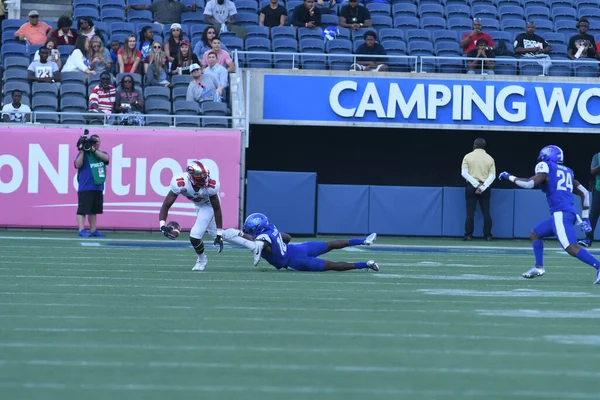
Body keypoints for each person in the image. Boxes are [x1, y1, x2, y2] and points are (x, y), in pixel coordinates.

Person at [499, 145, 600, 284]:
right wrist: (585, 218)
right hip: (565, 214)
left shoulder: (546, 166)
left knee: (571, 247)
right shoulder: (568, 171)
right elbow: (584, 192)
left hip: (561, 214)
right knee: (535, 233)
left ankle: (599, 266)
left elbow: (528, 184)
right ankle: (538, 267)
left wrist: (509, 176)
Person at [238, 213, 380, 272]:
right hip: (299, 248)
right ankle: (364, 240)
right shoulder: (271, 228)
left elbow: (257, 242)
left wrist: (239, 235)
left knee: (331, 265)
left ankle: (365, 264)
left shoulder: (262, 242)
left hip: (295, 262)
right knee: (329, 245)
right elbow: (288, 238)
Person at [159, 160, 225, 271]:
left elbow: (217, 209)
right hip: (198, 205)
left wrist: (220, 231)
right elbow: (166, 204)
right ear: (191, 177)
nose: (204, 181)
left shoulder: (211, 185)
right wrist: (162, 225)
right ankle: (252, 245)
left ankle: (202, 260)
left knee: (195, 235)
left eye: (205, 177)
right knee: (216, 235)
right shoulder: (180, 182)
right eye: (201, 179)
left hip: (208, 206)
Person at [74, 131, 110, 238]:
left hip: (97, 186)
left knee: (94, 211)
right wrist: (82, 151)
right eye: (94, 142)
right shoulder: (84, 155)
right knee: (83, 210)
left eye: (98, 142)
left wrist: (93, 150)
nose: (96, 143)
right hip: (85, 186)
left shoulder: (101, 153)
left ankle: (93, 230)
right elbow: (77, 164)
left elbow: (106, 159)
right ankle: (81, 229)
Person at [461, 138, 496, 241]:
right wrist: (483, 187)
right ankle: (488, 235)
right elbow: (492, 176)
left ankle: (468, 235)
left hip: (471, 187)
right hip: (485, 187)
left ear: (474, 145)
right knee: (486, 211)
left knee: (470, 212)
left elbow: (464, 173)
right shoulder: (490, 158)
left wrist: (476, 185)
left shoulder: (467, 157)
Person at [579, 153, 600, 247]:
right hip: (599, 189)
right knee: (594, 214)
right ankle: (588, 239)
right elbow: (592, 171)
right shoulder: (597, 156)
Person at [125, 0, 197, 25]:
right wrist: (132, 6)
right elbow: (144, 7)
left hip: (173, 26)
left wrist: (193, 8)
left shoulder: (179, 4)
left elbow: (189, 10)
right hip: (160, 24)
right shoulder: (158, 3)